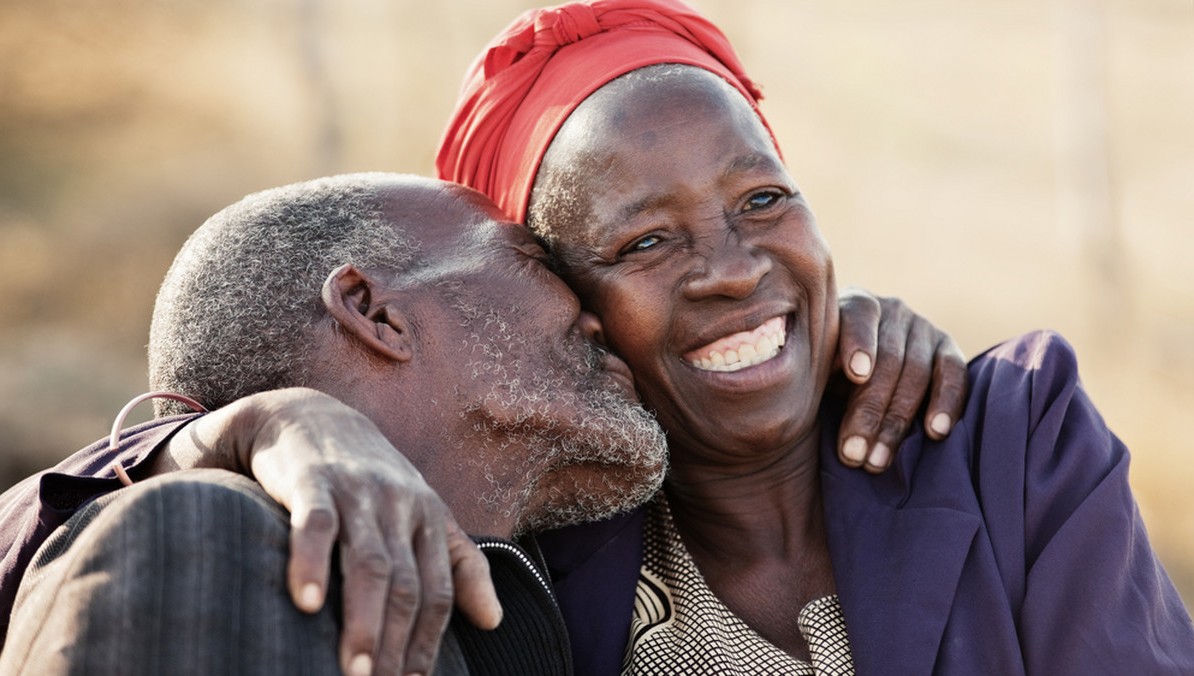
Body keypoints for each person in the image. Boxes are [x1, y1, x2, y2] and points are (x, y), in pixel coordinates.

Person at [433, 1, 1194, 674]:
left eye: (763, 199)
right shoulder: (523, 569)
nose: (732, 271)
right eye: (647, 243)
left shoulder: (1013, 442)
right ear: (565, 308)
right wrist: (312, 422)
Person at [0, 172, 671, 676]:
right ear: (373, 313)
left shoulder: (502, 617)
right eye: (534, 259)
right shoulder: (214, 536)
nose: (594, 311)